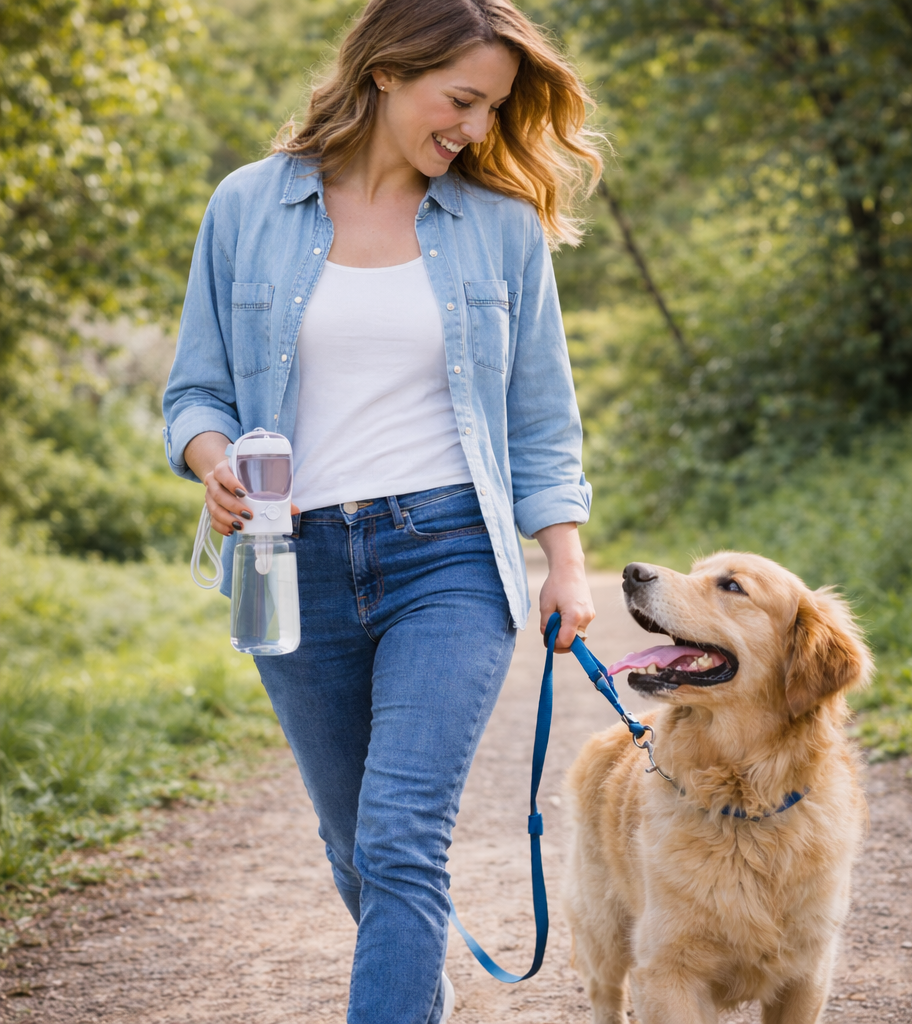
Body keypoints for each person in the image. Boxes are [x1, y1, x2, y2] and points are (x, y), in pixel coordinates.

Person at [162, 1, 601, 1020]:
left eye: (493, 110)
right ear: (387, 72)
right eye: (462, 100)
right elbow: (194, 392)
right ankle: (414, 985)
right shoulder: (247, 205)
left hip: (448, 553)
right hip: (288, 560)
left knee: (402, 835)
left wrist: (565, 561)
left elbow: (542, 418)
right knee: (356, 845)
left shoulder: (499, 226)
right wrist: (214, 461)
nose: (477, 129)